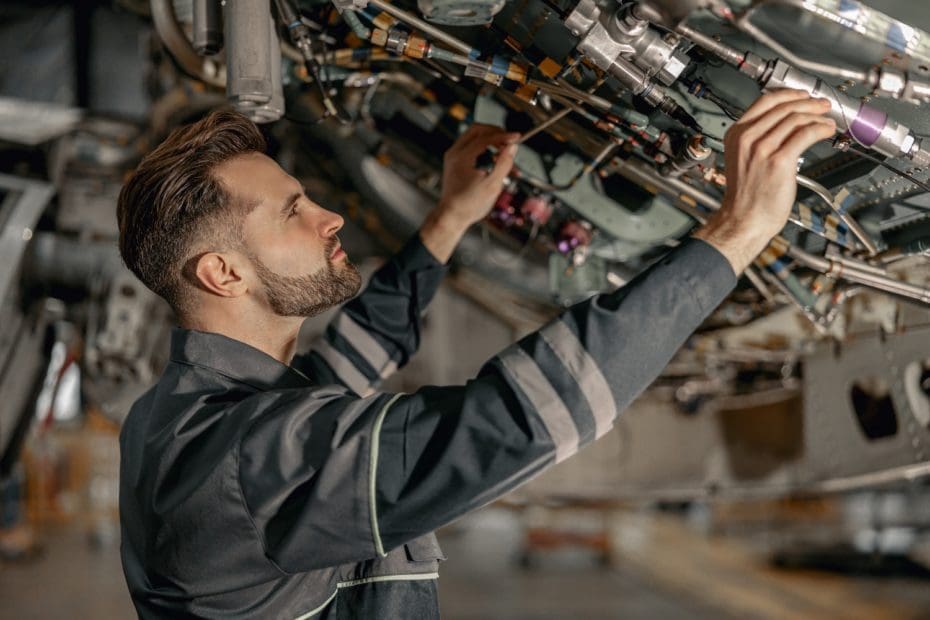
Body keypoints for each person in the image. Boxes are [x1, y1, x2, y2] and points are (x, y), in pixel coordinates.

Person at [116, 90, 835, 618]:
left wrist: (452, 215)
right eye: (292, 211)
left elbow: (355, 355)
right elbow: (509, 424)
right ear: (224, 274)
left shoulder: (200, 412)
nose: (327, 216)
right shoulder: (240, 468)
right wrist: (737, 232)